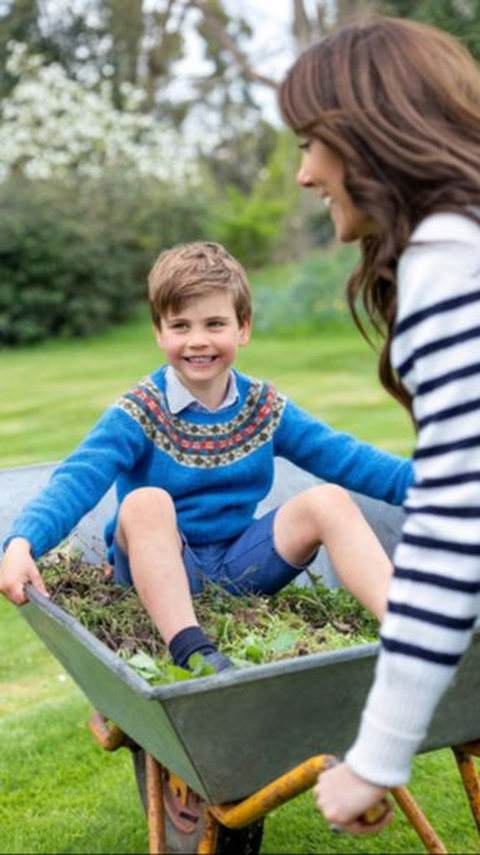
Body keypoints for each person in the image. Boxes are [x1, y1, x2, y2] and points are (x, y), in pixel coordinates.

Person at [1, 240, 412, 674]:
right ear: (159, 333)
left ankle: (406, 631)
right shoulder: (140, 411)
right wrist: (23, 542)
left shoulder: (263, 407)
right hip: (156, 571)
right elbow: (78, 478)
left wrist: (442, 485)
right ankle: (193, 651)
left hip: (240, 566)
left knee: (327, 500)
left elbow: (349, 459)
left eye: (215, 324)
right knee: (146, 502)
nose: (198, 341)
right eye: (180, 326)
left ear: (243, 328)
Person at [279, 13, 480, 833]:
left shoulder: (447, 266)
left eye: (310, 144)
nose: (304, 174)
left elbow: (456, 527)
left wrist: (377, 754)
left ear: (368, 134)